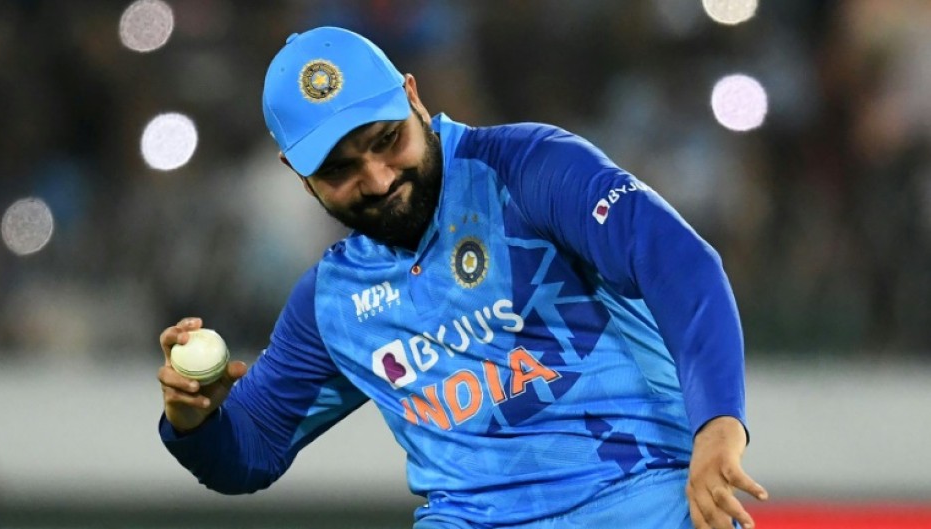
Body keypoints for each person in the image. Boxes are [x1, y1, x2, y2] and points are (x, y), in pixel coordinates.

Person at [157, 26, 768, 529]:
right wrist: (194, 421)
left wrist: (718, 425)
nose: (378, 179)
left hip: (644, 499)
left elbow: (679, 264)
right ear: (298, 174)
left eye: (387, 140)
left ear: (414, 97)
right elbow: (253, 448)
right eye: (340, 169)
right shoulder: (330, 303)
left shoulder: (529, 169)